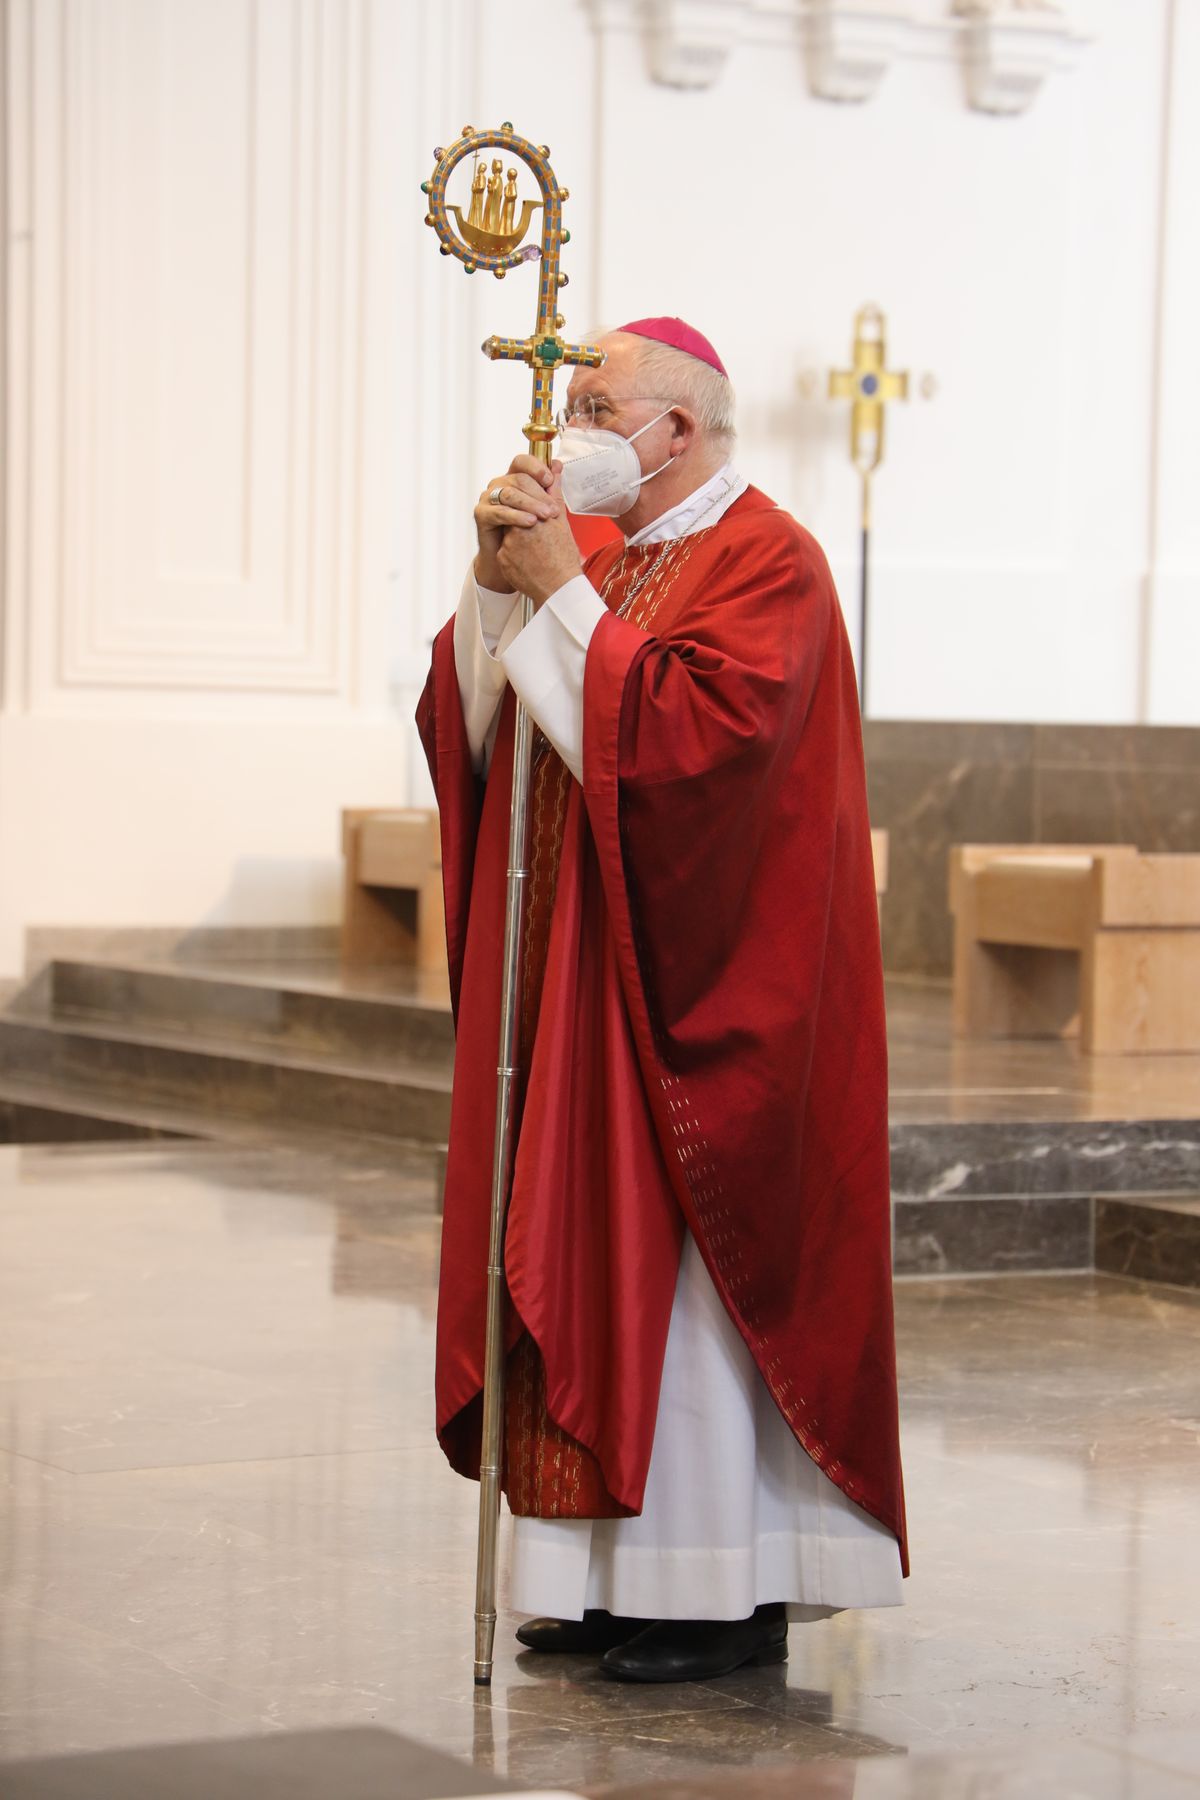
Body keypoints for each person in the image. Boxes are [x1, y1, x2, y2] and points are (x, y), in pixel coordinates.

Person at [416, 316, 908, 1685]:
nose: (564, 426)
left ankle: (714, 1591)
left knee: (686, 1287)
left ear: (676, 430)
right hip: (581, 991)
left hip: (699, 1003)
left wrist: (556, 601)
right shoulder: (605, 556)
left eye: (592, 403)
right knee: (579, 1263)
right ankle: (606, 1580)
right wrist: (497, 591)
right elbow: (488, 728)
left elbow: (699, 751)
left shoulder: (775, 560)